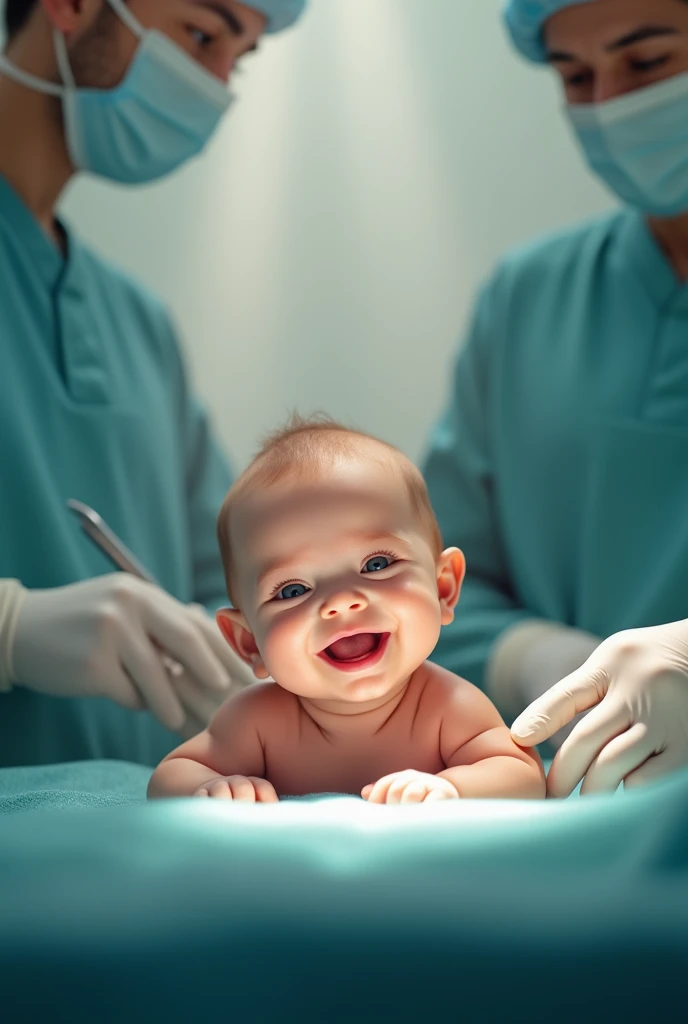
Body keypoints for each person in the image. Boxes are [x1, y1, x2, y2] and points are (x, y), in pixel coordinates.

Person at [0, 0, 306, 769]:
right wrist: (10, 628)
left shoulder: (138, 323)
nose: (213, 89)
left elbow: (228, 573)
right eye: (201, 35)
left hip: (130, 853)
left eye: (236, 59)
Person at [423, 0, 688, 796]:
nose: (607, 103)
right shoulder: (527, 297)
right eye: (575, 76)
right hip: (569, 808)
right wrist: (533, 655)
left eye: (645, 63)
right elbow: (425, 584)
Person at [147, 417, 545, 802]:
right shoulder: (258, 721)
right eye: (292, 590)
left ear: (442, 587)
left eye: (376, 565)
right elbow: (171, 774)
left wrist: (454, 787)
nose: (340, 602)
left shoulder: (447, 706)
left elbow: (522, 773)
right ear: (249, 641)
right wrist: (212, 788)